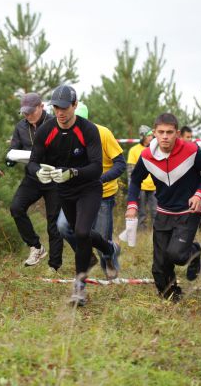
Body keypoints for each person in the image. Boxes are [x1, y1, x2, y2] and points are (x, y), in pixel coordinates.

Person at [28, 85, 118, 306]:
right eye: (56, 107)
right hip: (64, 191)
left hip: (89, 187)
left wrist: (72, 172)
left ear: (75, 105)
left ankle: (79, 290)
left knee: (81, 232)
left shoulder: (88, 130)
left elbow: (97, 167)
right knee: (81, 234)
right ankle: (109, 248)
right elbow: (32, 163)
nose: (60, 112)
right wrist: (40, 172)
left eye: (65, 107)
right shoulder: (45, 131)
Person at [126, 113, 201, 301]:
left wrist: (199, 194)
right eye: (161, 132)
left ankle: (194, 251)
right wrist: (132, 204)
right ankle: (172, 292)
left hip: (189, 211)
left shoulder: (191, 150)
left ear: (177, 133)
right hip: (164, 211)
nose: (165, 136)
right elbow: (135, 180)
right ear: (154, 133)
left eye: (169, 132)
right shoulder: (147, 155)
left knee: (177, 255)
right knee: (159, 266)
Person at [56, 102, 125, 279]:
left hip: (103, 193)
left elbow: (120, 164)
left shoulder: (102, 133)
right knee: (64, 226)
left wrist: (101, 178)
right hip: (76, 192)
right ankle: (87, 258)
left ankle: (109, 259)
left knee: (102, 236)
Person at [7, 93, 63, 270]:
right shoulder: (21, 127)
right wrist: (10, 158)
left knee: (53, 222)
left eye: (31, 111)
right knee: (16, 208)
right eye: (24, 112)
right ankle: (36, 247)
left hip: (53, 177)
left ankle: (54, 264)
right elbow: (13, 148)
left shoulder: (55, 123)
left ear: (41, 107)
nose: (27, 115)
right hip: (32, 177)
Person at [127, 125, 157, 229]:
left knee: (156, 213)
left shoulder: (156, 149)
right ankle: (141, 235)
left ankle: (157, 233)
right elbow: (131, 173)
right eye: (149, 135)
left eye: (152, 135)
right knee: (142, 214)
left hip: (154, 187)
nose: (151, 137)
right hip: (141, 188)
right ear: (143, 136)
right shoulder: (133, 150)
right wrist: (133, 191)